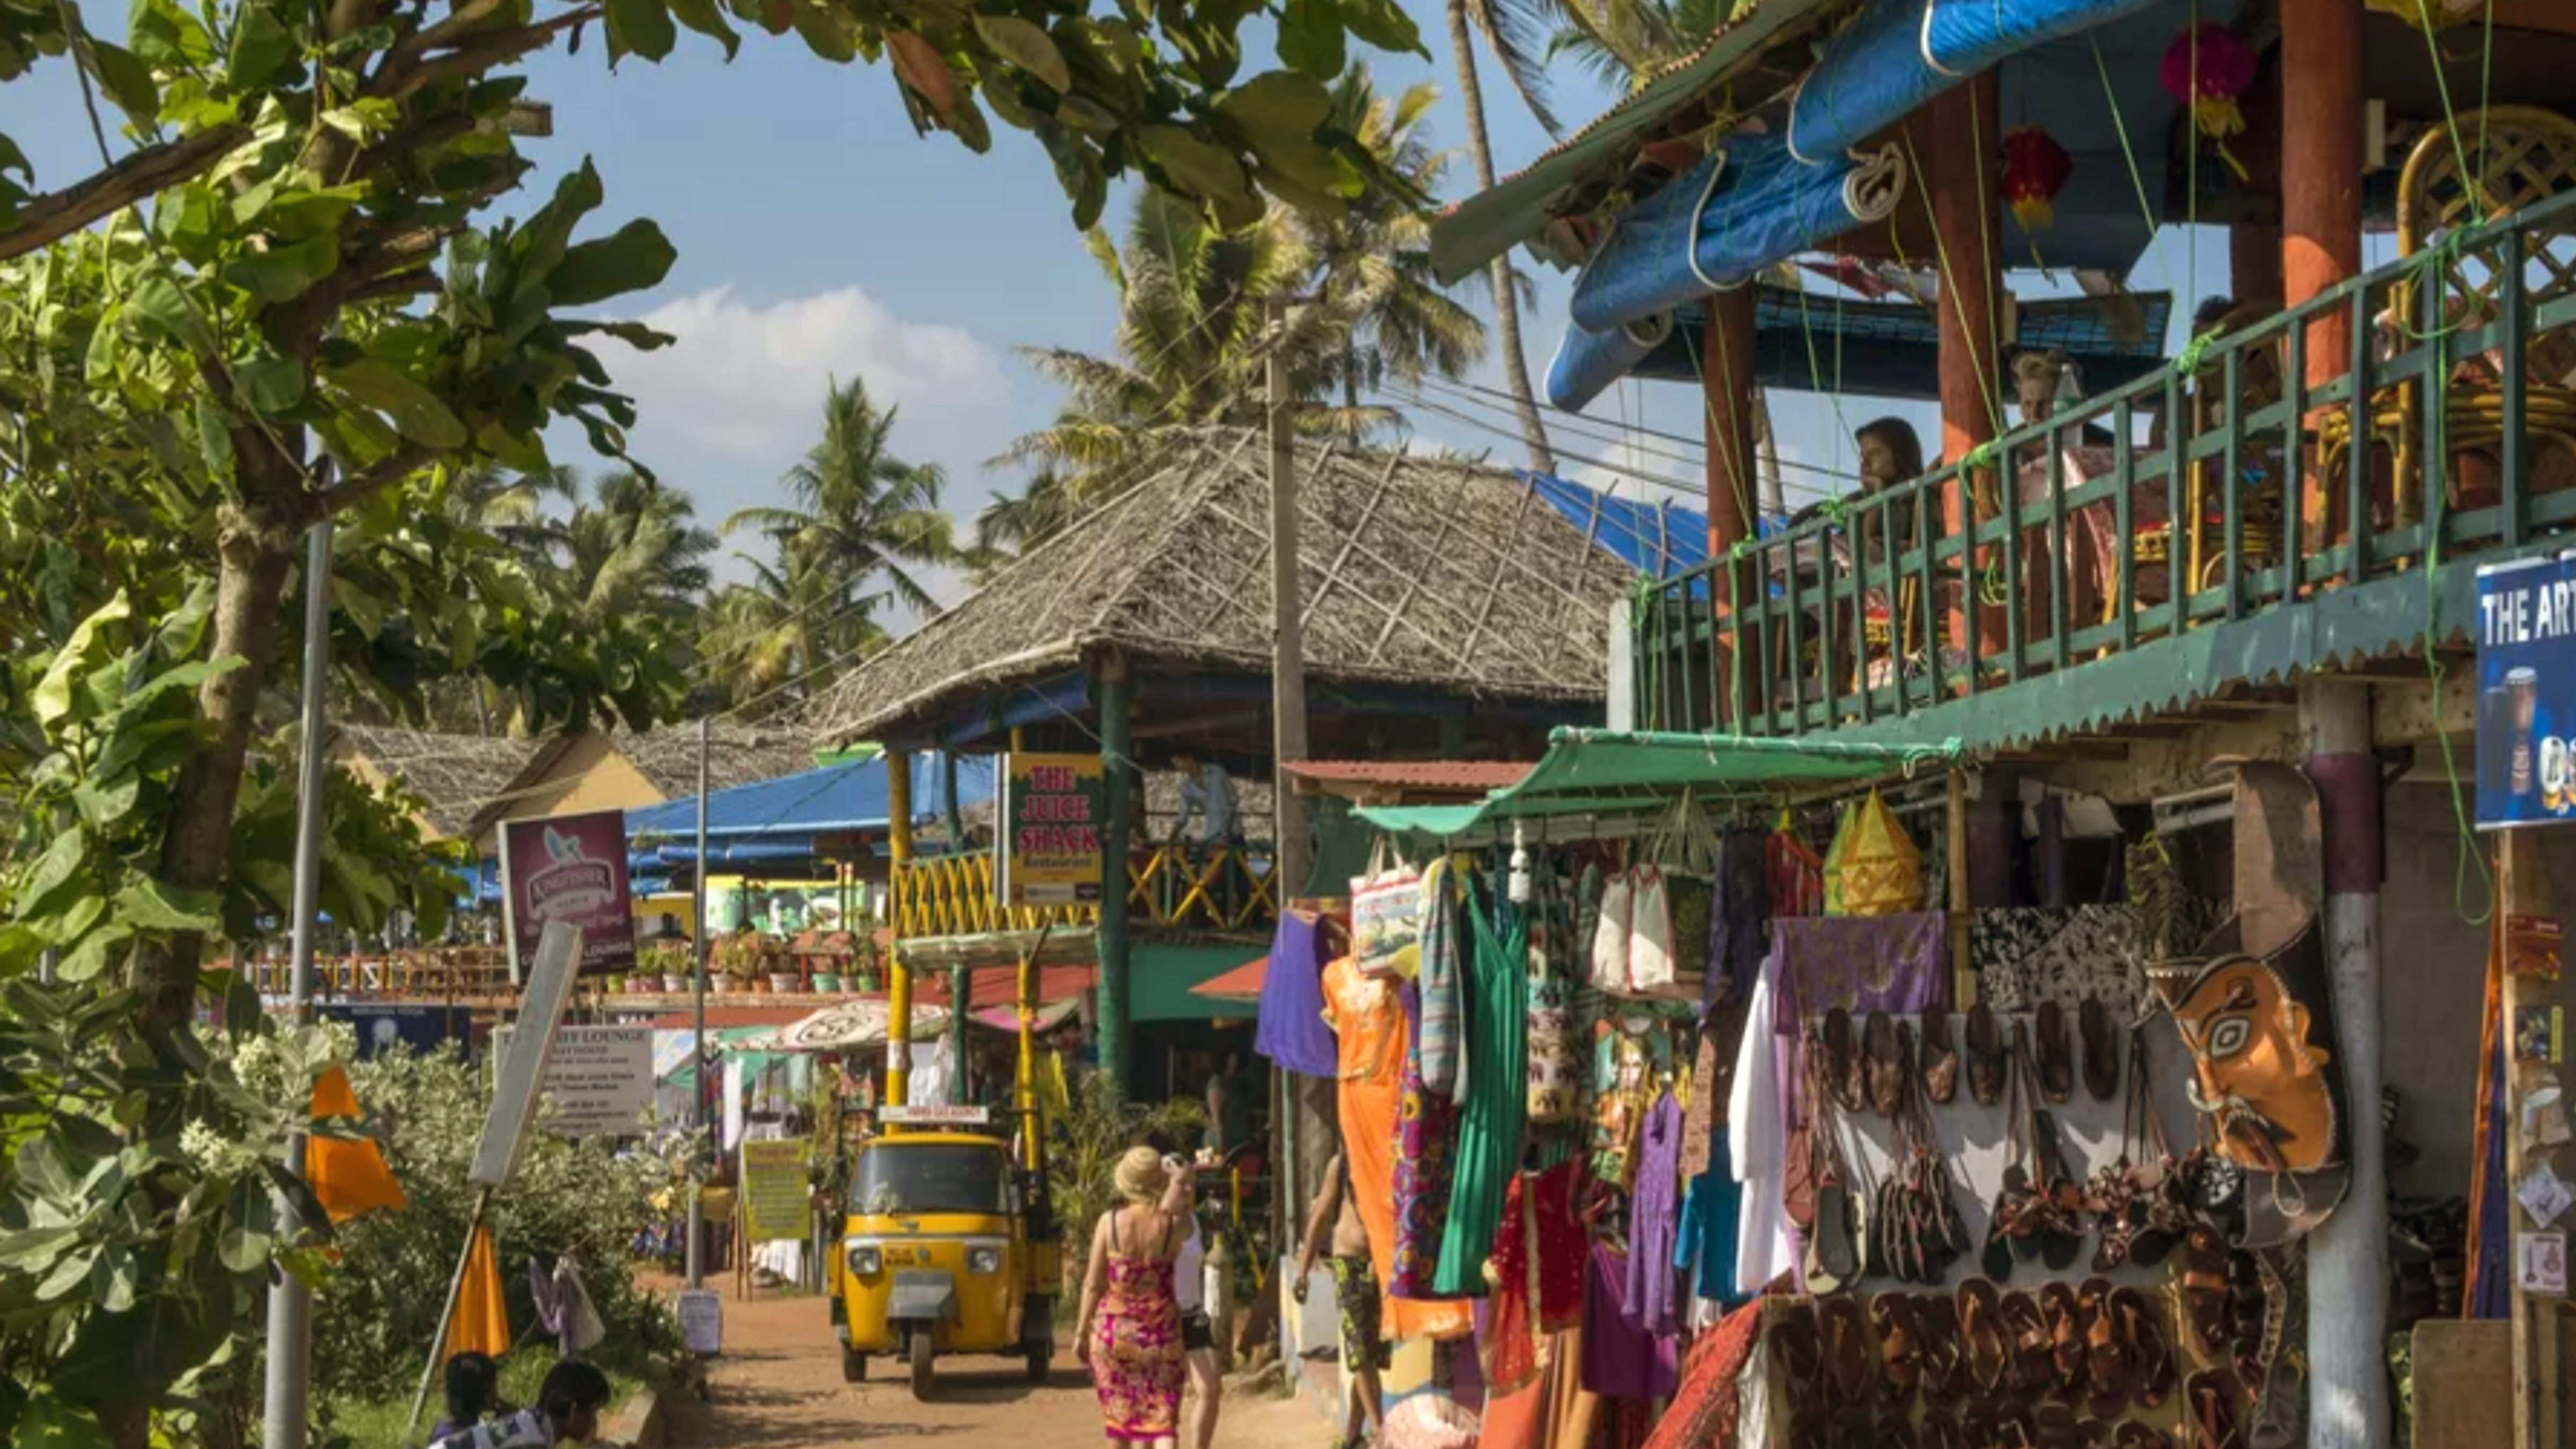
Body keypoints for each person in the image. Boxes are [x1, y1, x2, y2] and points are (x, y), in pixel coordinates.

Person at [1076, 1146, 1188, 1448]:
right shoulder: (1172, 1226)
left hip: (1115, 1336)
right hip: (1161, 1335)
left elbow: (1092, 1284)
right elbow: (1185, 1224)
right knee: (1163, 1421)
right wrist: (1179, 1182)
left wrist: (1079, 1333)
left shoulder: (1109, 1222)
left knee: (1121, 1423)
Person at [1292, 1150, 1384, 1449]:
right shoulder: (1342, 1162)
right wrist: (1303, 1271)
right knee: (1359, 1352)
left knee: (1371, 1354)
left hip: (1382, 1266)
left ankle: (1353, 1437)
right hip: (1350, 1264)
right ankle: (1381, 1431)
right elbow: (1320, 1213)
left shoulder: (1389, 1148)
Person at [1160, 1155, 1221, 1449]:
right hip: (1164, 1319)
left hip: (1194, 1315)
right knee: (1167, 1404)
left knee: (1210, 1389)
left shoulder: (1195, 1221)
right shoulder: (1155, 1223)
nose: (1187, 1190)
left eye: (1191, 1185)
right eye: (1180, 1183)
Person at [427, 1361, 612, 1449]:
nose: (595, 1423)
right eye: (593, 1413)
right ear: (573, 1411)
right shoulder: (533, 1443)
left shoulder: (529, 1418)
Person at [426, 1352, 503, 1445]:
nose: (497, 1392)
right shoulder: (463, 1439)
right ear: (484, 1396)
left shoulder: (442, 1430)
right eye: (494, 1385)